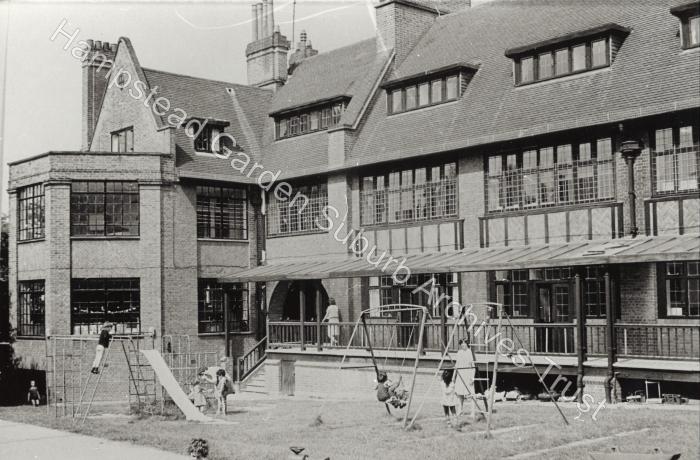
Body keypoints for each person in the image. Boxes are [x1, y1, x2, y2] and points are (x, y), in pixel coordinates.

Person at [454, 337, 477, 419]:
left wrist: (472, 377)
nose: (463, 345)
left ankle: (473, 412)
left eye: (465, 343)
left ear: (467, 344)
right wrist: (454, 376)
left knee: (471, 395)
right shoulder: (459, 352)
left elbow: (473, 367)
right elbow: (456, 365)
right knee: (460, 394)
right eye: (462, 343)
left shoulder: (470, 352)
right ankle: (459, 411)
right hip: (460, 375)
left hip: (468, 374)